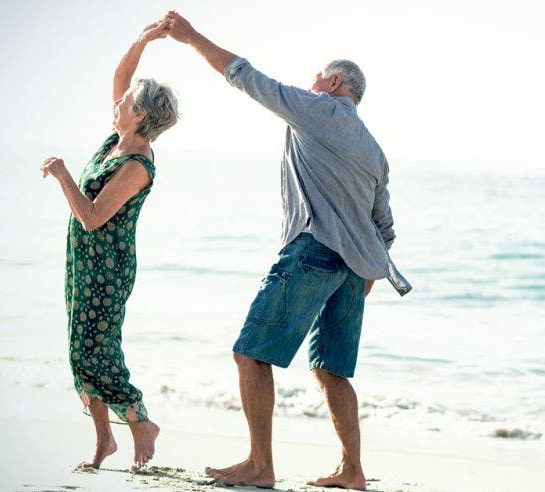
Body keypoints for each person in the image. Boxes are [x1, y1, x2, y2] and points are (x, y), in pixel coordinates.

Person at [163, 10, 397, 490]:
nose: (309, 84)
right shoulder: (373, 148)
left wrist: (190, 37)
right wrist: (367, 274)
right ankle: (352, 471)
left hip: (314, 251)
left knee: (250, 354)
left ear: (333, 83)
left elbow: (246, 77)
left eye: (316, 78)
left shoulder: (320, 109)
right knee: (331, 370)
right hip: (356, 268)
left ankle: (259, 466)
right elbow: (384, 225)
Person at [40, 20, 179, 470]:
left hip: (107, 266)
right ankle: (105, 441)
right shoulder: (117, 140)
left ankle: (140, 420)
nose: (117, 101)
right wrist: (143, 40)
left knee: (92, 351)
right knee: (79, 350)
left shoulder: (138, 162)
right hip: (82, 260)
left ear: (140, 115)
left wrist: (62, 175)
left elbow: (94, 216)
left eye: (126, 102)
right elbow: (120, 80)